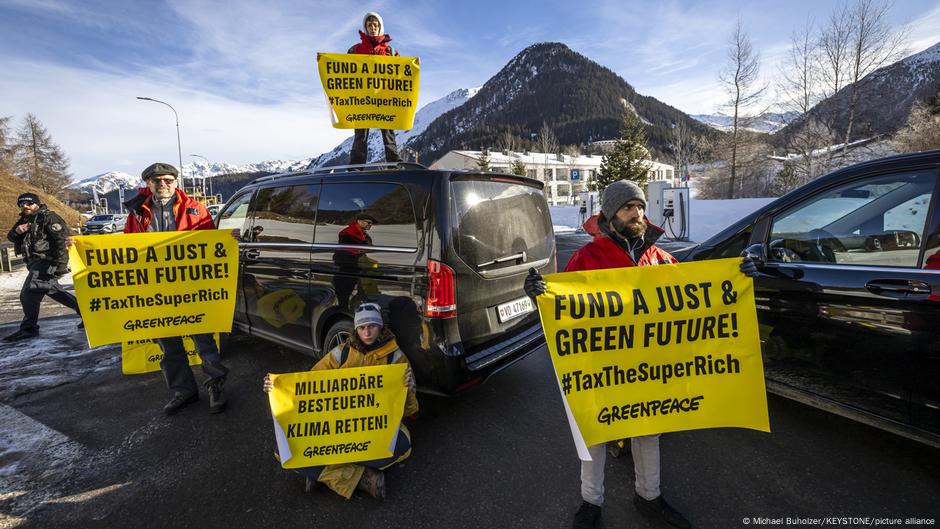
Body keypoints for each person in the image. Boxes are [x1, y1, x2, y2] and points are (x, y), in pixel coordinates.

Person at [524, 180, 758, 529]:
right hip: (602, 368)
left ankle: (649, 497)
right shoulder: (588, 257)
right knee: (597, 432)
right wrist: (539, 294)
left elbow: (696, 299)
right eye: (628, 207)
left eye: (640, 207)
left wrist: (738, 276)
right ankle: (591, 503)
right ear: (610, 214)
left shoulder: (659, 258)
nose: (637, 214)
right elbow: (565, 308)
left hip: (649, 370)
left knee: (648, 431)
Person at [263, 302, 418, 500]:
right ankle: (360, 478)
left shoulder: (396, 358)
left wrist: (409, 390)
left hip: (375, 428)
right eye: (362, 327)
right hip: (338, 427)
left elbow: (410, 410)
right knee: (283, 449)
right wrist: (276, 388)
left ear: (381, 327)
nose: (367, 332)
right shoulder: (341, 352)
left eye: (372, 326)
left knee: (402, 445)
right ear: (356, 329)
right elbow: (308, 386)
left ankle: (317, 471)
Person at [124, 162, 230, 415]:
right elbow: (125, 247)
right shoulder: (137, 212)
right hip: (155, 291)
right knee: (168, 346)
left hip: (191, 288)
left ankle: (216, 386)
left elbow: (211, 244)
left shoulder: (196, 209)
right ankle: (184, 391)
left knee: (204, 342)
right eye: (157, 180)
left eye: (168, 180)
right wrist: (80, 246)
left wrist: (228, 240)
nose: (163, 184)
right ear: (148, 183)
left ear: (176, 182)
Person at [4, 193, 82, 342]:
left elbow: (62, 241)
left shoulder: (49, 218)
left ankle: (29, 329)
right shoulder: (24, 219)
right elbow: (11, 237)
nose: (25, 206)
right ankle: (88, 315)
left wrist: (60, 265)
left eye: (29, 203)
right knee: (54, 292)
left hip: (46, 262)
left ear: (37, 204)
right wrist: (17, 231)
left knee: (28, 294)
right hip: (34, 263)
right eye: (22, 204)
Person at [348, 11, 402, 165]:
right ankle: (357, 165)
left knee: (388, 130)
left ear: (380, 27)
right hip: (362, 97)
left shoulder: (391, 52)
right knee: (361, 133)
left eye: (375, 25)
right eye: (369, 24)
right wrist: (324, 61)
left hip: (384, 96)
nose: (373, 27)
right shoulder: (355, 50)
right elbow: (342, 69)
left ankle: (393, 162)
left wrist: (414, 66)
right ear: (365, 27)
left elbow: (402, 72)